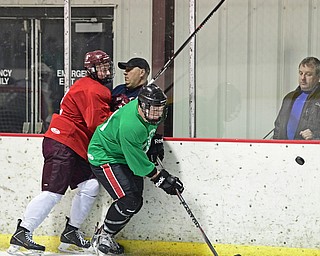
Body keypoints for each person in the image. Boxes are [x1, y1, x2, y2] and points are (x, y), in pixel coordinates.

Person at [7, 50, 114, 255]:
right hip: (63, 143)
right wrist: (117, 113)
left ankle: (71, 233)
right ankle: (22, 234)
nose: (106, 71)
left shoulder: (90, 86)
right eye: (102, 67)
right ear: (90, 69)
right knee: (52, 192)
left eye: (107, 67)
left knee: (90, 185)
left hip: (73, 145)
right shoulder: (93, 89)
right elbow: (96, 124)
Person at [87, 83, 184, 255]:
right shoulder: (130, 126)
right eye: (154, 109)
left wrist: (153, 141)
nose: (157, 113)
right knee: (129, 199)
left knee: (135, 202)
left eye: (160, 108)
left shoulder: (151, 113)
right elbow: (139, 166)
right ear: (142, 106)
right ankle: (103, 236)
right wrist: (163, 179)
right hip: (105, 155)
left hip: (123, 153)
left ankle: (107, 234)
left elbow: (149, 130)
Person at [273, 56, 320, 140]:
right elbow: (278, 127)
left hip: (309, 150)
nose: (303, 78)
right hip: (284, 150)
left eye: (308, 74)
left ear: (318, 77)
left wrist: (315, 137)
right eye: (301, 73)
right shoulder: (289, 98)